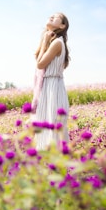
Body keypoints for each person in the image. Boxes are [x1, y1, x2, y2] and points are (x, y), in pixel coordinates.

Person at [31, 12, 70, 150]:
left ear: (62, 25)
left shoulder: (57, 43)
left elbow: (40, 64)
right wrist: (45, 41)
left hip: (53, 87)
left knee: (52, 124)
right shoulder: (54, 42)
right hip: (48, 86)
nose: (51, 17)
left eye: (56, 17)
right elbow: (39, 60)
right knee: (45, 123)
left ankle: (56, 163)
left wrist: (45, 42)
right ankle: (46, 163)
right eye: (50, 16)